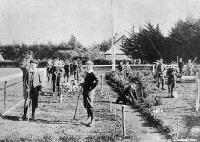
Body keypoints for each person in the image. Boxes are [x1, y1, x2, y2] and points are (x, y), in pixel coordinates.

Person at [79, 61, 98, 127]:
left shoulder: (93, 73)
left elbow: (97, 81)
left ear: (92, 66)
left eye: (89, 66)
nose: (87, 67)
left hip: (90, 92)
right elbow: (87, 82)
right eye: (86, 66)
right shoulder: (87, 73)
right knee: (86, 105)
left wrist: (92, 88)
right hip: (85, 90)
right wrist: (82, 84)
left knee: (90, 105)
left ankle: (92, 121)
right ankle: (88, 119)